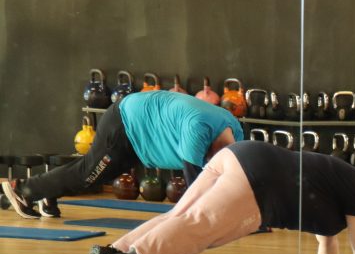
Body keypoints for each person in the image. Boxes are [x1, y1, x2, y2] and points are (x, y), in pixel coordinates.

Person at [88, 140, 355, 254]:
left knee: (180, 215)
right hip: (259, 183)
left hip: (240, 154)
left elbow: (327, 241)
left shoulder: (336, 194)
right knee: (199, 225)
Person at [2, 90, 243, 219]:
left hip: (141, 135)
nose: (209, 163)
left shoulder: (236, 133)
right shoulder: (198, 131)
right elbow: (195, 189)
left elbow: (233, 176)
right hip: (125, 123)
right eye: (210, 159)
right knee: (88, 174)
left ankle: (48, 192)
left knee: (92, 174)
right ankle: (22, 189)